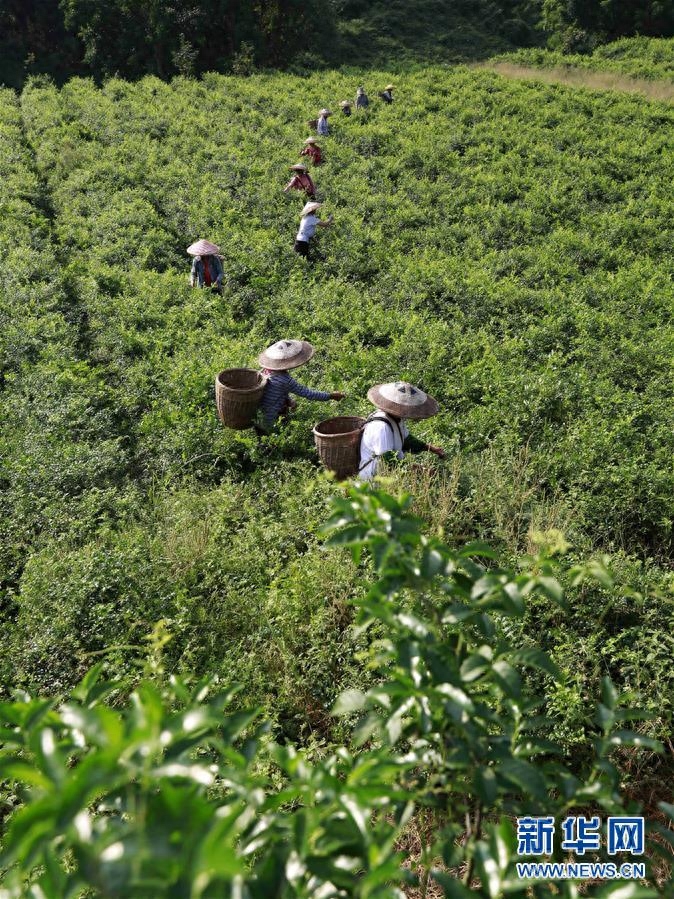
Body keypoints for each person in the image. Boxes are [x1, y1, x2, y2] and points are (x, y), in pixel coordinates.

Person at [359, 381, 445, 481]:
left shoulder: (397, 419)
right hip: (373, 478)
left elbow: (407, 440)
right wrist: (420, 470)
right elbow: (388, 459)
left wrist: (431, 449)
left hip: (387, 475)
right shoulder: (381, 427)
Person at [256, 339, 344, 433]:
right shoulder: (285, 380)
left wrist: (289, 400)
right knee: (270, 445)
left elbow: (274, 391)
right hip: (270, 422)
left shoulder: (265, 371)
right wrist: (330, 396)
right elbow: (308, 393)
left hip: (257, 417)